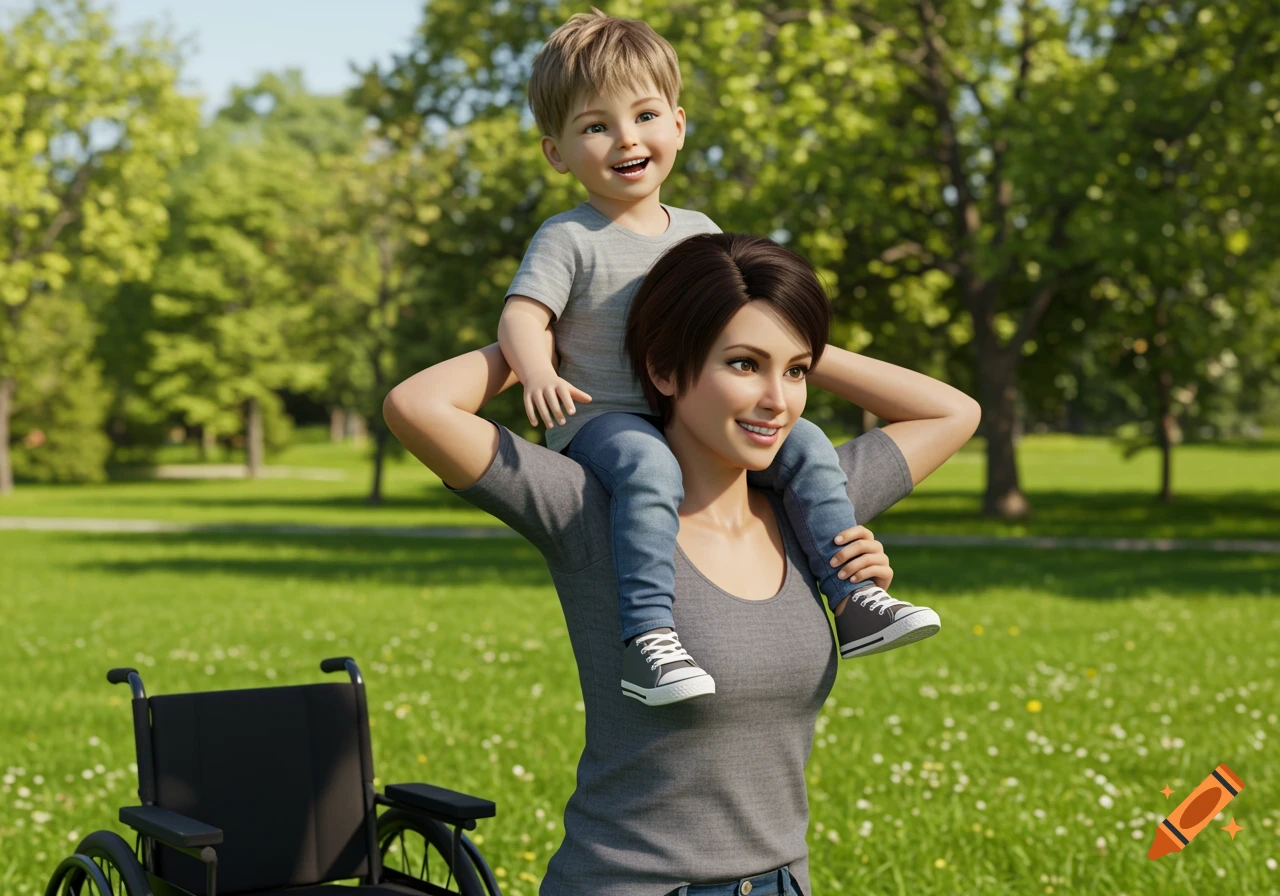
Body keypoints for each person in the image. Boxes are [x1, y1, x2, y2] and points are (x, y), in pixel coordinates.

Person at [383, 232, 980, 896]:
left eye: (797, 372)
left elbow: (954, 410)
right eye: (743, 365)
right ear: (665, 370)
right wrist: (555, 342)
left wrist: (786, 331)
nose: (776, 401)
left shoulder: (813, 508)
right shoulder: (587, 511)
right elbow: (417, 407)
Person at [496, 7, 941, 707]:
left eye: (644, 116)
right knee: (647, 467)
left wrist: (786, 355)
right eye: (595, 126)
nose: (625, 139)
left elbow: (746, 322)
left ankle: (852, 595)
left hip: (685, 413)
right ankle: (649, 638)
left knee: (812, 441)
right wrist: (541, 368)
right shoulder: (568, 239)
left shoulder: (701, 232)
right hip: (608, 420)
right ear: (557, 152)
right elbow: (523, 314)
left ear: (677, 124)